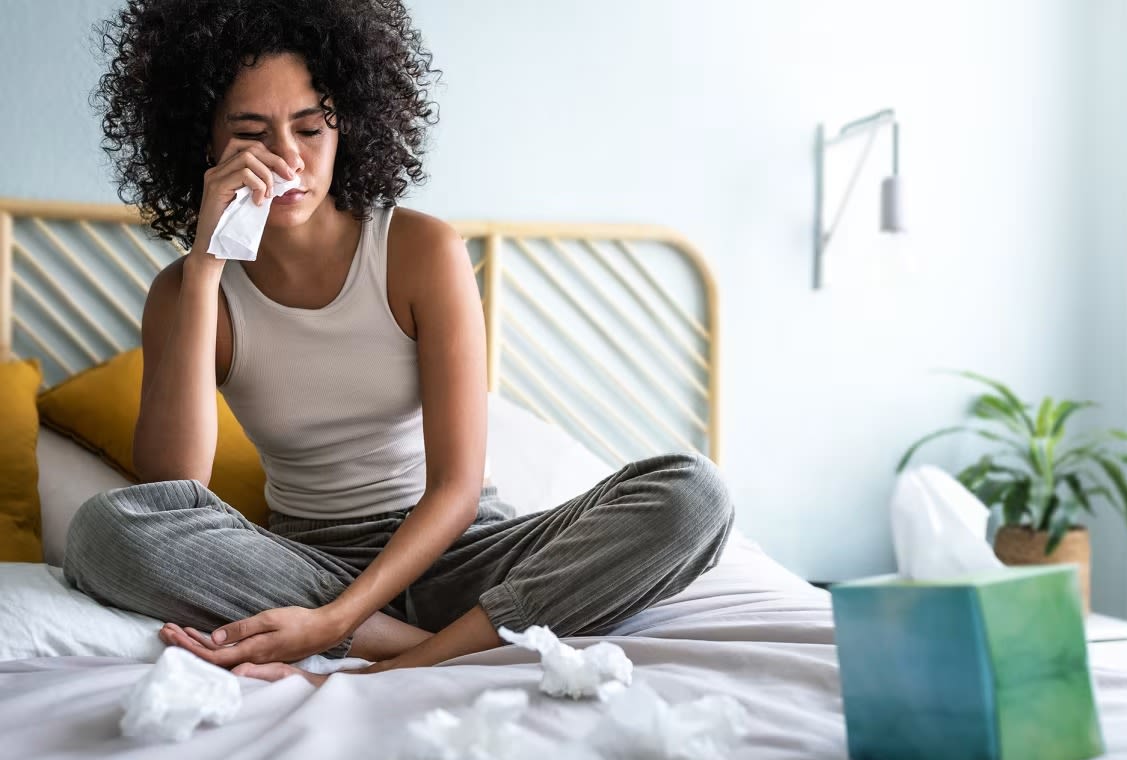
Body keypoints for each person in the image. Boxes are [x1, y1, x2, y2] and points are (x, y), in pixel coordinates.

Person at [65, 0, 734, 687]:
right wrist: (207, 263)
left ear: (345, 123)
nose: (288, 157)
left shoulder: (420, 250)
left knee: (694, 493)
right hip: (304, 563)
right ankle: (462, 644)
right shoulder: (184, 292)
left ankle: (394, 656)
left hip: (461, 553)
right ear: (207, 142)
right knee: (102, 532)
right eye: (251, 132)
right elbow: (176, 486)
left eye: (309, 127)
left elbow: (456, 489)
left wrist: (330, 624)